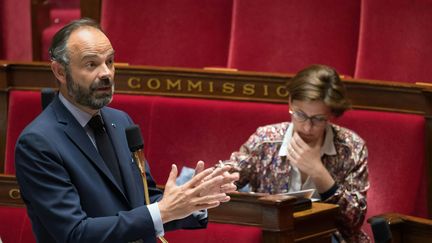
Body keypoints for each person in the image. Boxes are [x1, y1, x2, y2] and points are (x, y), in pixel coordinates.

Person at [15, 18, 239, 243]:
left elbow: (143, 202)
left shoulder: (120, 121)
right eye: (91, 64)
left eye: (110, 62)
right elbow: (75, 233)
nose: (106, 73)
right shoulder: (38, 143)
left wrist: (193, 199)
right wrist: (162, 211)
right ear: (60, 72)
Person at [224, 64, 370, 242]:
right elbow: (230, 175)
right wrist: (215, 181)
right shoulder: (265, 140)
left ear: (331, 113)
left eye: (318, 119)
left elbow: (354, 220)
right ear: (290, 103)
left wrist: (319, 172)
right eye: (300, 115)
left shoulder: (351, 147)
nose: (307, 127)